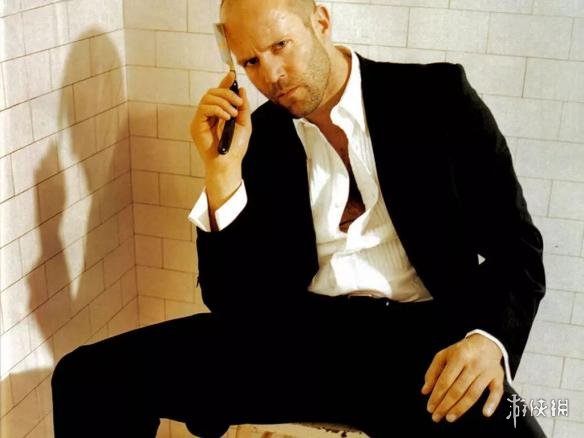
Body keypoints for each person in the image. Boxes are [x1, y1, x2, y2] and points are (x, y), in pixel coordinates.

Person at [51, 0, 546, 436]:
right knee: (88, 378)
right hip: (297, 341)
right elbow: (230, 303)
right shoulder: (257, 137)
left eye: (280, 45)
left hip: (422, 346)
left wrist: (488, 340)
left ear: (321, 22)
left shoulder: (436, 97)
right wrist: (221, 174)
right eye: (250, 61)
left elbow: (517, 246)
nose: (271, 75)